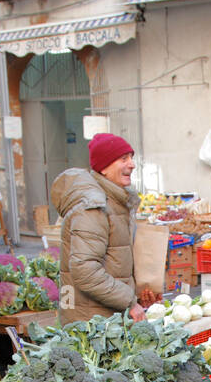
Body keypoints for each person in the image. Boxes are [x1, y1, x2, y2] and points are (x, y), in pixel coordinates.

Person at [50, 132, 146, 323]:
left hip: (106, 317)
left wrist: (139, 293)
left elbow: (117, 259)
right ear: (104, 168)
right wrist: (129, 301)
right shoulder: (92, 209)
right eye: (123, 159)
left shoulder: (116, 202)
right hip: (91, 323)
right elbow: (85, 270)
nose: (132, 164)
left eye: (131, 158)